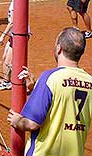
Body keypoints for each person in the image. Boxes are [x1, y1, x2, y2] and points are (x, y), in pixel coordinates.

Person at [8, 27, 92, 156]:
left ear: (59, 48)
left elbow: (32, 124)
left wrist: (17, 121)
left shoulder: (50, 78)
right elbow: (67, 101)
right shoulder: (89, 81)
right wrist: (34, 89)